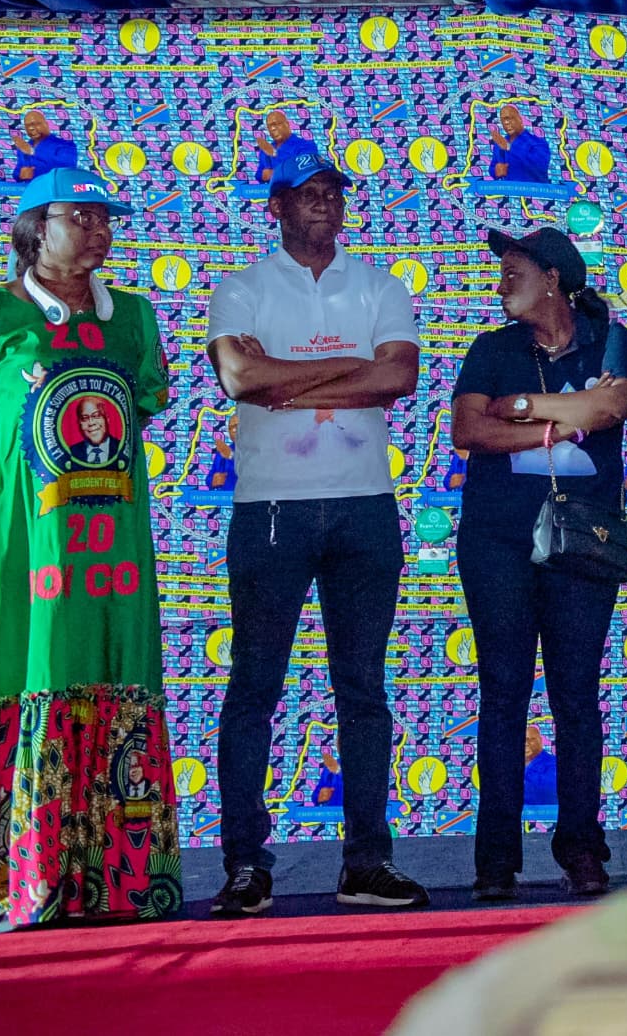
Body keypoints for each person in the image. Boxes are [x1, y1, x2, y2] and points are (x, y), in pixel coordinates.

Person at [0, 168, 181, 930]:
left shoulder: (134, 317)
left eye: (105, 218)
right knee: (10, 669)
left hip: (108, 558)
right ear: (34, 229)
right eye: (80, 217)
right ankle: (3, 884)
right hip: (12, 549)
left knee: (110, 678)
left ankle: (117, 880)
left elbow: (138, 409)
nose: (99, 230)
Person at [203, 147, 428, 917]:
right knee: (254, 689)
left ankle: (367, 863)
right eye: (308, 193)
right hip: (273, 508)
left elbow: (399, 377)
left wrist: (286, 383)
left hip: (366, 506)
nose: (325, 203)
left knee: (363, 691)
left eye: (333, 191)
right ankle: (246, 864)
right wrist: (348, 367)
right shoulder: (242, 287)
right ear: (276, 206)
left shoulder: (379, 284)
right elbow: (240, 379)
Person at [451, 227, 627, 900]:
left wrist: (523, 408)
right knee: (504, 692)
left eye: (515, 271)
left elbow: (611, 405)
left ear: (554, 278)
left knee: (576, 696)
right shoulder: (491, 349)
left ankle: (582, 849)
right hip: (497, 540)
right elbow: (468, 429)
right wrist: (561, 425)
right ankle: (495, 859)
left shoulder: (610, 340)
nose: (502, 282)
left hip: (582, 541)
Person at [481, 104, 553, 185]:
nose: (506, 123)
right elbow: (492, 168)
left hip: (532, 191)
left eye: (510, 118)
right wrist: (496, 171)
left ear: (520, 120)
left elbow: (540, 166)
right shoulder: (499, 144)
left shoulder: (537, 142)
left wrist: (509, 147)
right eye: (503, 120)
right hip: (507, 191)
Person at [4, 108, 77, 185]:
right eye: (27, 125)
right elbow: (16, 173)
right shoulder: (24, 148)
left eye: (36, 124)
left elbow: (67, 171)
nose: (31, 128)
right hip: (30, 190)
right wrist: (20, 174)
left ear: (46, 124)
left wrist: (33, 153)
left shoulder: (65, 145)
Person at [247, 109, 317, 187]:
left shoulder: (306, 145)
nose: (273, 128)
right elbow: (259, 174)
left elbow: (306, 170)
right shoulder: (265, 150)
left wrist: (274, 173)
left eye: (276, 124)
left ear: (287, 124)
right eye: (269, 126)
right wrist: (265, 175)